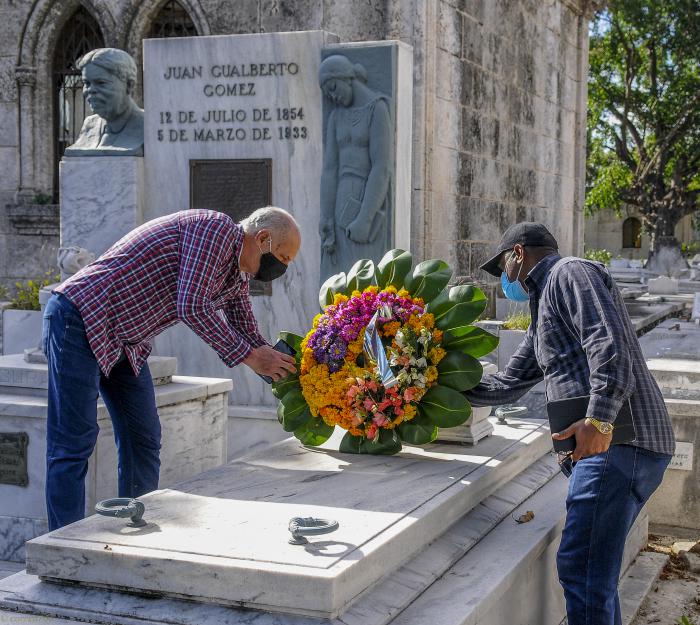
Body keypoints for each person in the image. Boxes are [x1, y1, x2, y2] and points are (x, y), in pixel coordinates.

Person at [465, 222, 675, 625]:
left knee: (583, 570)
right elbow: (508, 384)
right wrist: (433, 384)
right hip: (612, 449)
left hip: (617, 444)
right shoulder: (543, 306)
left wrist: (599, 419)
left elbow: (607, 343)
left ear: (518, 254)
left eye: (502, 267)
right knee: (592, 573)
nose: (504, 280)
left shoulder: (569, 273)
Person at [42, 207, 300, 530]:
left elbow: (250, 336)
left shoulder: (237, 276)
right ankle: (63, 548)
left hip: (126, 341)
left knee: (144, 439)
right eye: (283, 257)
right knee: (72, 444)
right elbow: (191, 304)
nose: (282, 268)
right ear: (262, 238)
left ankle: (134, 531)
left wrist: (297, 379)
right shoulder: (216, 230)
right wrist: (252, 357)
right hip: (81, 317)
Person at [318, 54, 392, 282]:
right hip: (341, 199)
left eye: (332, 87)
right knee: (338, 277)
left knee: (365, 277)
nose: (332, 96)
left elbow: (381, 167)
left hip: (366, 198)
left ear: (346, 77)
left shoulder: (377, 108)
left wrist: (365, 219)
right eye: (327, 93)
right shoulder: (335, 117)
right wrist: (326, 217)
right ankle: (337, 319)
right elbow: (330, 169)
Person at [65, 47, 144, 156]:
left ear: (129, 85)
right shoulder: (90, 125)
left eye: (101, 83)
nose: (91, 90)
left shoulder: (148, 126)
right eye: (86, 83)